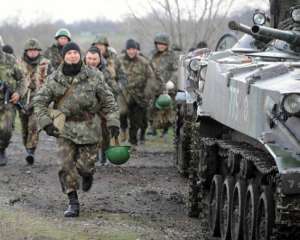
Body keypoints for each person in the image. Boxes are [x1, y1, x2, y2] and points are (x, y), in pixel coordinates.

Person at [33, 42, 120, 217]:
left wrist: (113, 121)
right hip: (65, 129)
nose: (72, 55)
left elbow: (108, 99)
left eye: (75, 52)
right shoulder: (54, 78)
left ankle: (88, 175)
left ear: (80, 55)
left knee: (85, 167)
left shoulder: (94, 75)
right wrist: (45, 122)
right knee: (65, 166)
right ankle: (73, 202)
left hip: (89, 127)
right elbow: (40, 101)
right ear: (64, 56)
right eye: (69, 53)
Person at [18, 39, 53, 164]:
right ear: (26, 52)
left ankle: (30, 151)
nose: (32, 53)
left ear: (39, 51)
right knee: (24, 127)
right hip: (22, 100)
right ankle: (27, 146)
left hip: (39, 100)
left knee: (33, 125)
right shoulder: (19, 63)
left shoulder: (46, 64)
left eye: (35, 51)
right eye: (30, 51)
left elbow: (51, 81)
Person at [84, 46, 120, 165]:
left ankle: (104, 156)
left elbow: (114, 89)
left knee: (105, 133)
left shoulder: (105, 72)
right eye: (89, 58)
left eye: (94, 59)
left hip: (103, 106)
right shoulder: (80, 71)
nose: (92, 61)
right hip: (86, 108)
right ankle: (94, 156)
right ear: (85, 58)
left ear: (99, 59)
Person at [119, 39, 156, 147]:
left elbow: (151, 78)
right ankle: (123, 130)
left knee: (136, 121)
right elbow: (112, 74)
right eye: (129, 49)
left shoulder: (143, 62)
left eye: (133, 49)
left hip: (139, 96)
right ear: (126, 50)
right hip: (123, 94)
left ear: (137, 50)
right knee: (122, 113)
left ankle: (133, 142)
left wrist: (147, 92)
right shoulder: (119, 60)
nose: (131, 51)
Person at [92, 36, 128, 141]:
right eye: (96, 45)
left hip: (110, 96)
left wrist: (119, 87)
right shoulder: (89, 57)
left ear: (106, 47)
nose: (99, 48)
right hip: (92, 97)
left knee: (107, 125)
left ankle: (104, 152)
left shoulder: (114, 59)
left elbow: (123, 76)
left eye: (101, 45)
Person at [0, 40, 25, 166]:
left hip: (7, 101)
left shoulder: (10, 60)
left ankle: (1, 149)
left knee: (6, 130)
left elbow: (22, 79)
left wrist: (18, 93)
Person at [149, 33, 178, 138]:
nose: (161, 46)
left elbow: (176, 70)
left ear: (167, 45)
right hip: (155, 86)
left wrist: (172, 81)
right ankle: (153, 128)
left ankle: (165, 130)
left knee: (167, 109)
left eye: (163, 44)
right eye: (159, 44)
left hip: (167, 86)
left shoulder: (172, 56)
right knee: (152, 107)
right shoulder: (152, 54)